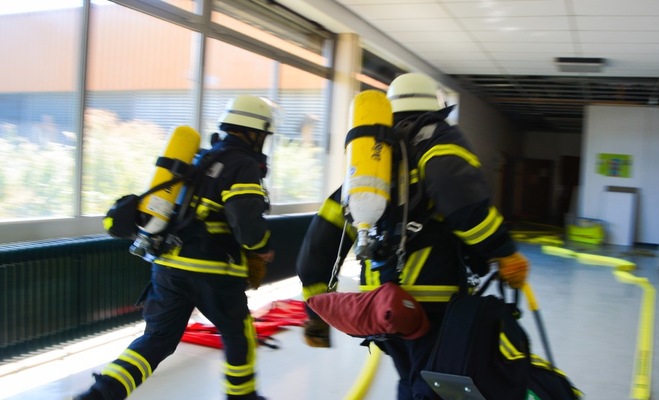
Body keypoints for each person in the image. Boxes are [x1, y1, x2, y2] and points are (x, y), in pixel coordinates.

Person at [295, 72, 530, 400]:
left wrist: (314, 312)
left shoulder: (372, 164)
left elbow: (320, 241)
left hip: (381, 304)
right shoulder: (438, 140)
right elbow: (465, 206)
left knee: (412, 378)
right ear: (435, 108)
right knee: (431, 386)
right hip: (433, 300)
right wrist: (504, 252)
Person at [75, 94, 276, 400]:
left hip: (168, 265)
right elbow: (246, 224)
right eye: (263, 135)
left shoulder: (201, 158)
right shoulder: (242, 165)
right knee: (239, 334)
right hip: (213, 270)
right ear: (255, 132)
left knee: (156, 340)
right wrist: (262, 247)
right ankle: (242, 396)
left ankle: (99, 394)